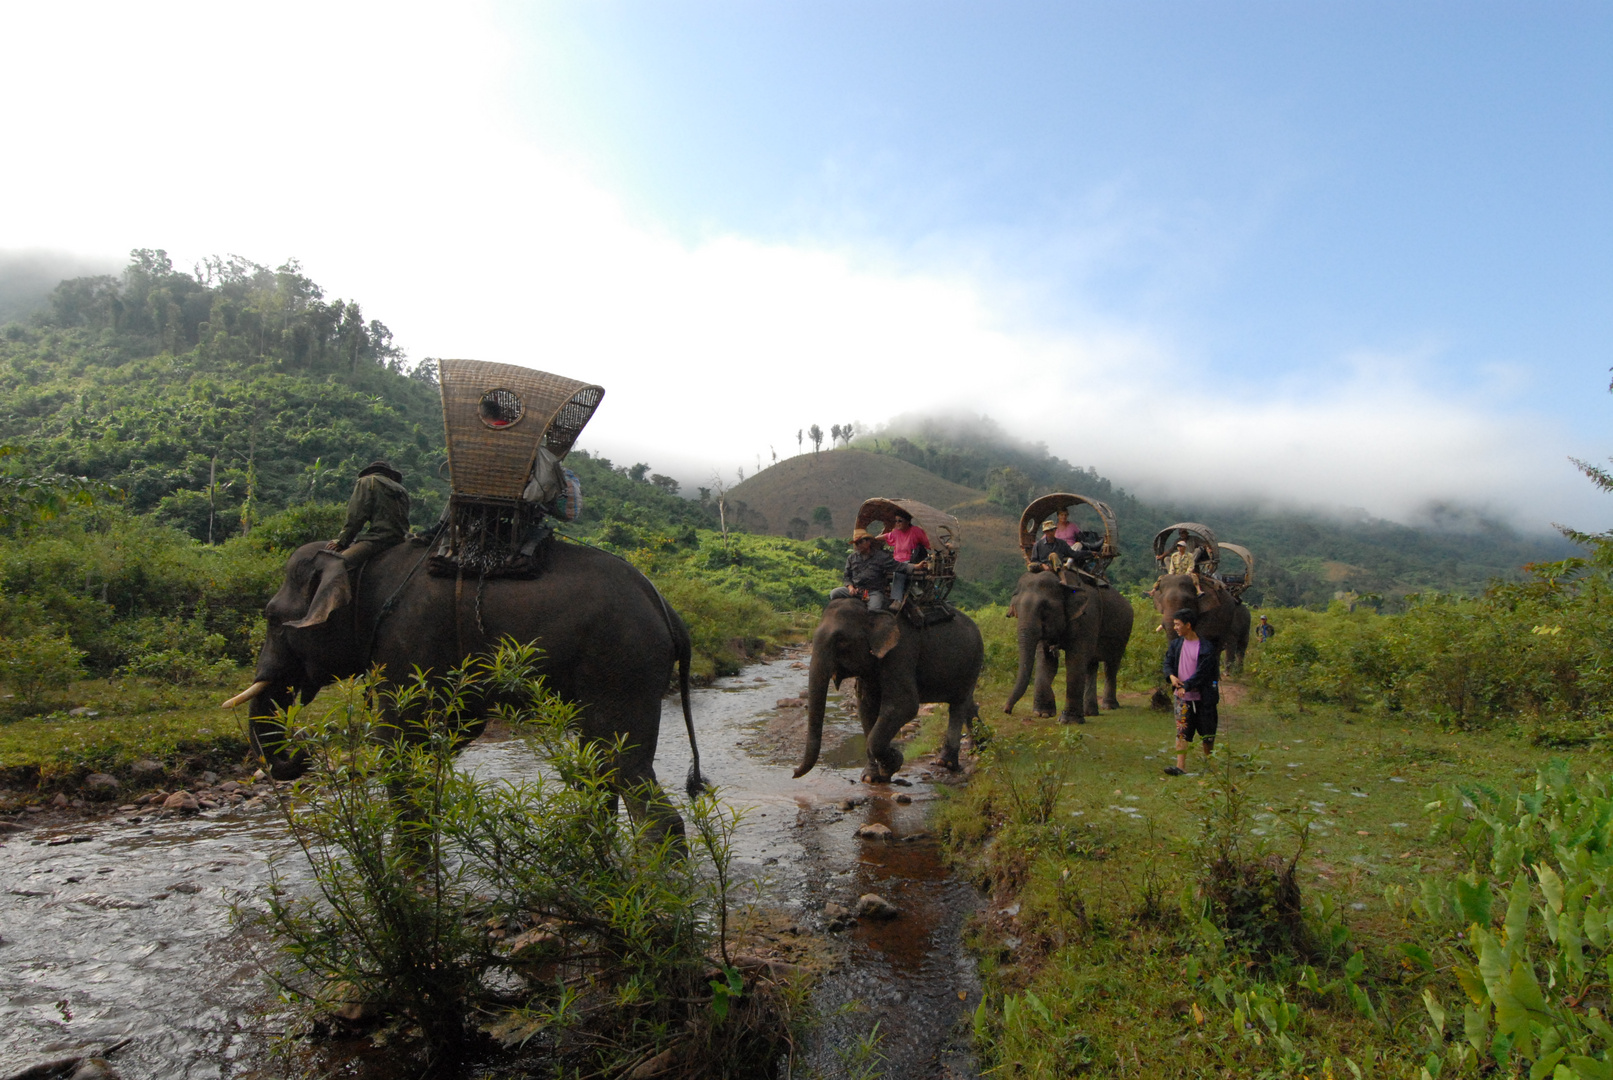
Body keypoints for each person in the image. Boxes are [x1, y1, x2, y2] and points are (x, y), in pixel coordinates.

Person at [289, 460, 411, 628]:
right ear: (389, 474)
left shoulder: (368, 481)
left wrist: (342, 541)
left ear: (371, 471)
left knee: (336, 564)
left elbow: (356, 516)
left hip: (379, 539)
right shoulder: (401, 489)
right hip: (400, 539)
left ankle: (315, 616)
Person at [1162, 608, 1219, 776]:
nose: (1175, 628)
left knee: (1207, 732)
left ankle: (1210, 765)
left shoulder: (1207, 648)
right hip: (1182, 698)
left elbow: (1203, 673)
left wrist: (1185, 686)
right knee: (1182, 731)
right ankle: (1180, 766)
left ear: (1188, 625)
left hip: (1204, 697)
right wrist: (1172, 677)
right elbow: (1167, 663)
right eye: (1174, 625)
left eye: (1178, 624)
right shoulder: (1176, 645)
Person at [830, 524, 897, 611]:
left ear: (868, 542)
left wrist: (915, 566)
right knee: (834, 593)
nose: (858, 545)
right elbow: (847, 576)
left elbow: (898, 566)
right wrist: (850, 588)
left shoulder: (881, 556)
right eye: (856, 543)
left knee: (873, 610)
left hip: (873, 592)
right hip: (856, 590)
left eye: (860, 542)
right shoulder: (852, 557)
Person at [886, 509, 931, 609]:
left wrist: (942, 546)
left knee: (900, 569)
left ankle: (897, 599)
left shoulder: (915, 531)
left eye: (900, 521)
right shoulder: (896, 532)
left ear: (907, 521)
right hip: (895, 560)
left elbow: (928, 543)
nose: (897, 523)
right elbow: (886, 536)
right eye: (896, 521)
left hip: (909, 560)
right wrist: (873, 539)